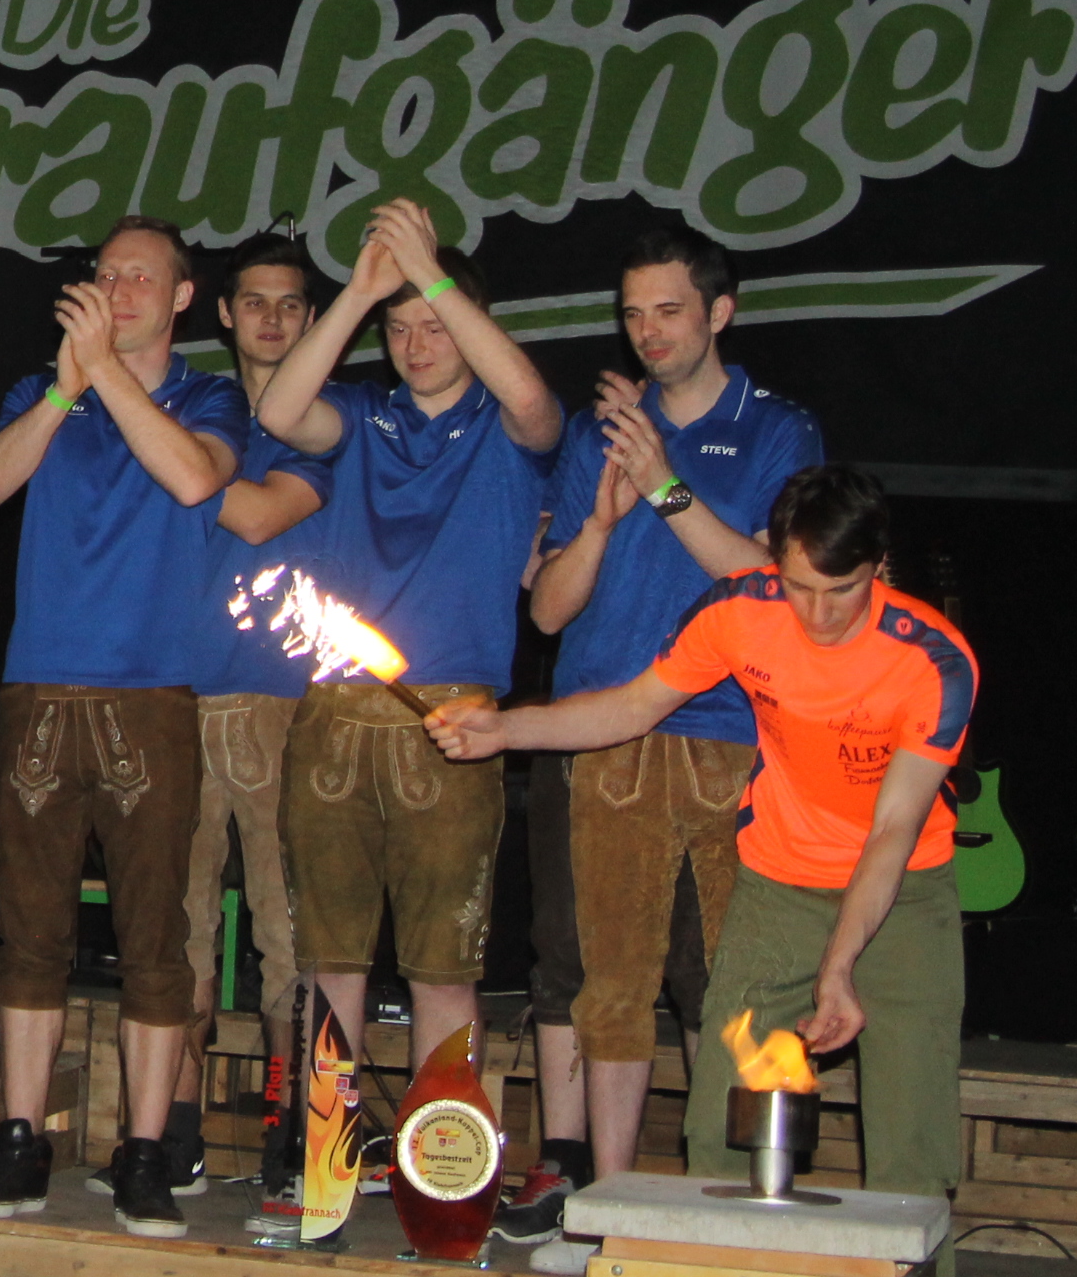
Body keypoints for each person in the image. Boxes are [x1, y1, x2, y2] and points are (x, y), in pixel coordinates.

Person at [429, 466, 973, 1262]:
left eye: (842, 591)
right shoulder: (739, 610)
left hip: (904, 896)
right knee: (721, 1112)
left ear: (879, 566)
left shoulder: (933, 661)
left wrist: (839, 967)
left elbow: (891, 831)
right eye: (799, 588)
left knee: (912, 1145)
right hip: (777, 884)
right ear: (773, 564)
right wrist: (506, 730)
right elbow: (633, 706)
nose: (819, 614)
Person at [504, 227, 823, 1234]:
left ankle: (721, 1191)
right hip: (597, 728)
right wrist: (601, 519)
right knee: (583, 966)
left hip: (729, 732)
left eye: (669, 310)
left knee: (715, 975)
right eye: (633, 313)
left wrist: (664, 483)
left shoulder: (778, 429)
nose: (647, 331)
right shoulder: (598, 435)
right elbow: (546, 611)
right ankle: (590, 1189)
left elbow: (777, 580)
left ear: (720, 312)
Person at [0, 219, 246, 1236]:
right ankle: (20, 1140)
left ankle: (144, 1150)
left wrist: (104, 372)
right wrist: (63, 387)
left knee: (155, 939)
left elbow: (195, 478)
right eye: (105, 273)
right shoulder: (47, 389)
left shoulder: (208, 397)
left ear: (181, 297)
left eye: (139, 277)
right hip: (39, 685)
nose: (116, 289)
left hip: (151, 694)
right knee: (29, 934)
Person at [254, 199, 560, 1096]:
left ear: (471, 323)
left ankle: (440, 1162)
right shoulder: (362, 413)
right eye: (399, 330)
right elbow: (278, 412)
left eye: (435, 325)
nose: (416, 344)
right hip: (337, 709)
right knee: (331, 962)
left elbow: (535, 404)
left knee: (443, 966)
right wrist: (359, 293)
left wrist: (428, 272)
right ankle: (327, 1157)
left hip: (452, 712)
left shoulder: (507, 428)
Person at [172, 233, 331, 1207]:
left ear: (311, 319)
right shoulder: (192, 408)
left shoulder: (328, 422)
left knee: (289, 928)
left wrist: (166, 461)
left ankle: (291, 1129)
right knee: (177, 927)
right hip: (177, 693)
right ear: (223, 311)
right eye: (255, 301)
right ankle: (176, 1130)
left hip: (284, 697)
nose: (271, 318)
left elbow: (262, 515)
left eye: (290, 304)